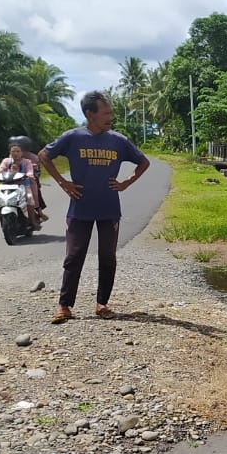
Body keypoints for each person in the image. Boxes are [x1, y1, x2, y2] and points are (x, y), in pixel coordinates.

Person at [38, 91, 150, 324]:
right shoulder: (73, 137)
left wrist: (126, 183)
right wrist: (63, 182)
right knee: (74, 257)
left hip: (109, 209)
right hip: (80, 209)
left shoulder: (118, 140)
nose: (110, 117)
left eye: (111, 112)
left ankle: (102, 304)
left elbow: (143, 162)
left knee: (108, 257)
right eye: (105, 113)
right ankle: (64, 306)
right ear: (90, 114)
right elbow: (44, 155)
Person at [0, 140, 45, 228]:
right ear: (10, 152)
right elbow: (0, 170)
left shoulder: (27, 161)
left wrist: (29, 175)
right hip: (7, 185)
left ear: (22, 153)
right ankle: (0, 214)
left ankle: (32, 220)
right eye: (13, 151)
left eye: (18, 151)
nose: (15, 153)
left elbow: (29, 171)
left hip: (24, 185)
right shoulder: (6, 161)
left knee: (29, 198)